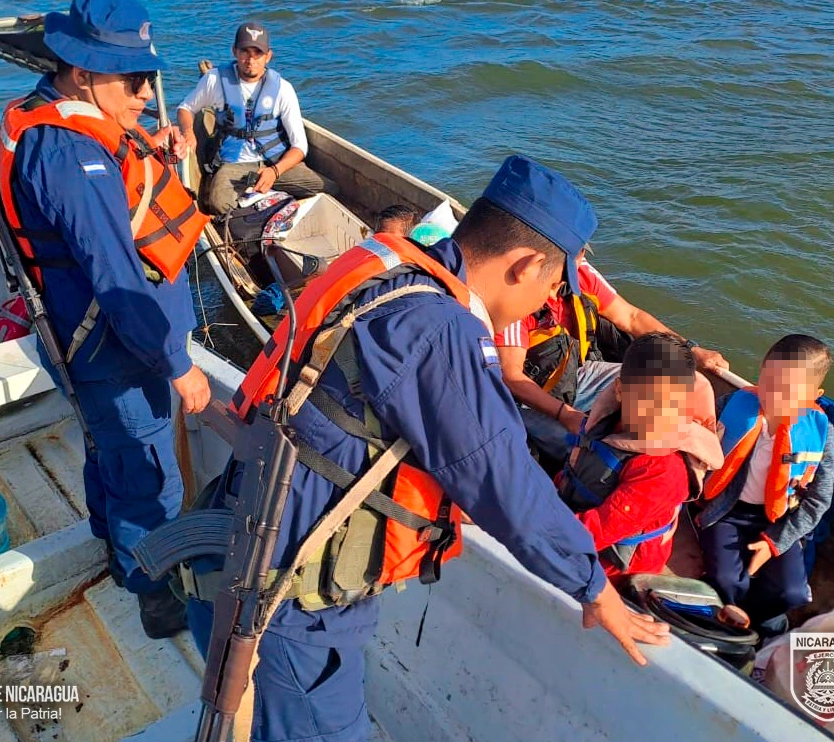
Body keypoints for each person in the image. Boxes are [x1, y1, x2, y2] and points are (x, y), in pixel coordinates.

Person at [185, 155, 670, 742]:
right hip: (292, 596)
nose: (547, 303)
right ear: (526, 266)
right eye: (552, 285)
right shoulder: (442, 328)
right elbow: (501, 480)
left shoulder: (384, 269)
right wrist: (591, 585)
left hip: (238, 530)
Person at [0, 0, 212, 638]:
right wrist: (177, 365)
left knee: (109, 452)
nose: (147, 94)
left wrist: (159, 151)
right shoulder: (68, 154)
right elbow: (117, 279)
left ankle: (115, 553)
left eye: (147, 79)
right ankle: (156, 593)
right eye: (133, 81)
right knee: (149, 474)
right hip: (110, 352)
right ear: (82, 73)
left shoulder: (62, 119)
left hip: (94, 345)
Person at [495, 216, 729, 464]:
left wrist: (691, 350)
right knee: (587, 454)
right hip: (533, 400)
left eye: (580, 256)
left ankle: (697, 462)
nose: (577, 266)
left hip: (580, 374)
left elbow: (632, 317)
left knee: (690, 383)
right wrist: (566, 415)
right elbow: (511, 376)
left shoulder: (581, 274)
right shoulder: (519, 299)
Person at [696, 334, 834, 636]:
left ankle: (754, 620)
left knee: (792, 593)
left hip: (777, 519)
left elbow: (819, 500)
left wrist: (774, 543)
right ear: (761, 369)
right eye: (769, 381)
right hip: (726, 512)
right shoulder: (733, 405)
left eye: (789, 391)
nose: (774, 395)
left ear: (815, 394)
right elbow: (695, 438)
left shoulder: (822, 432)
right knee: (729, 580)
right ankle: (738, 621)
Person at [557, 333, 723, 577]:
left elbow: (593, 533)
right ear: (620, 390)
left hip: (612, 568)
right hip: (572, 517)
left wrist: (523, 524)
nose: (659, 414)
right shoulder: (607, 423)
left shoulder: (664, 470)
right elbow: (571, 473)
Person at [176, 21, 335, 214]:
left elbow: (300, 146)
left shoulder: (283, 89)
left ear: (268, 56)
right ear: (234, 51)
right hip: (234, 166)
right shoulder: (214, 80)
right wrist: (188, 132)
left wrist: (274, 172)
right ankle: (265, 205)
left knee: (329, 188)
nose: (251, 60)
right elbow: (185, 108)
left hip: (275, 163)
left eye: (257, 53)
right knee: (217, 202)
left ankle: (261, 198)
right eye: (245, 52)